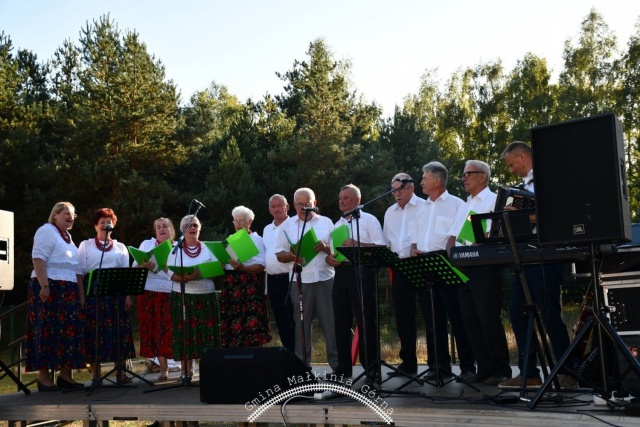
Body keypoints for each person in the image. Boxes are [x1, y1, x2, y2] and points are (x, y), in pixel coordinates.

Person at [499, 141, 575, 389]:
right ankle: (529, 373)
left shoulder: (549, 179)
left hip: (547, 257)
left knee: (550, 314)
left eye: (511, 164)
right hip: (525, 257)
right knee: (517, 313)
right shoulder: (520, 189)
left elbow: (557, 214)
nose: (511, 170)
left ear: (523, 157)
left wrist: (520, 214)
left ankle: (567, 373)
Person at [409, 161, 476, 381]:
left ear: (437, 180)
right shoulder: (421, 208)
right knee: (432, 321)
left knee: (458, 318)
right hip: (425, 265)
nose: (421, 182)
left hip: (448, 264)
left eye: (424, 178)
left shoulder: (457, 204)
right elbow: (414, 237)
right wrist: (413, 248)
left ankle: (468, 367)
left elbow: (463, 236)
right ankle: (439, 366)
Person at [452, 160, 512, 385]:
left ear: (483, 177)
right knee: (470, 320)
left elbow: (498, 233)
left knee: (488, 319)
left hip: (485, 268)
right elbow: (454, 235)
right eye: (463, 174)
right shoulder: (465, 204)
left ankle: (501, 370)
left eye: (468, 174)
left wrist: (475, 246)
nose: (464, 178)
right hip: (463, 268)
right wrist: (454, 256)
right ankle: (484, 368)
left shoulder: (494, 200)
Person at [326, 184, 386, 382]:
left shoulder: (369, 220)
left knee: (366, 321)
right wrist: (330, 259)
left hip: (361, 272)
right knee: (340, 321)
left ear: (357, 200)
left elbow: (381, 247)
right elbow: (332, 253)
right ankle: (343, 368)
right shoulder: (337, 225)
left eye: (346, 198)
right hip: (341, 274)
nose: (341, 201)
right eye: (340, 198)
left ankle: (371, 368)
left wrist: (357, 244)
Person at [25, 202, 86, 391]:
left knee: (68, 331)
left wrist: (81, 295)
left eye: (73, 214)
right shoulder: (46, 231)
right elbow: (38, 259)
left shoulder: (68, 237)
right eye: (66, 213)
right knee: (47, 329)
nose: (70, 216)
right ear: (55, 215)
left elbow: (76, 268)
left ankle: (65, 376)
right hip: (50, 286)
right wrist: (44, 286)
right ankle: (43, 378)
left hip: (69, 289)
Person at [275, 188, 337, 370]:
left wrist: (325, 247)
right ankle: (302, 368)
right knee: (301, 326)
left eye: (307, 204)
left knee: (331, 324)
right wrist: (290, 256)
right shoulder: (286, 225)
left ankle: (337, 367)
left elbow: (337, 250)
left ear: (314, 204)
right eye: (300, 204)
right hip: (300, 282)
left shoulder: (326, 222)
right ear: (294, 205)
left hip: (326, 279)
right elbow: (279, 254)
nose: (304, 208)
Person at [77, 208, 135, 384]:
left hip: (116, 296)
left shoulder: (120, 247)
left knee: (119, 332)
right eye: (102, 222)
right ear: (95, 226)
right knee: (95, 333)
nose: (105, 225)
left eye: (108, 222)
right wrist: (82, 296)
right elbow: (79, 272)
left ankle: (121, 373)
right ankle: (96, 375)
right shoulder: (86, 245)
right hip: (94, 295)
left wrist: (128, 296)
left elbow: (126, 273)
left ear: (113, 225)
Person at [383, 173, 426, 378]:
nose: (396, 194)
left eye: (400, 189)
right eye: (393, 191)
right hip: (399, 267)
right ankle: (408, 364)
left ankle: (438, 365)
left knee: (431, 313)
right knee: (403, 316)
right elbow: (387, 242)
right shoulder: (389, 212)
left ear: (411, 188)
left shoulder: (425, 206)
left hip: (422, 264)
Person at [168, 214, 219, 379]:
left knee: (206, 332)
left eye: (195, 225)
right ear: (182, 229)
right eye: (188, 225)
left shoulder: (208, 248)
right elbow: (169, 271)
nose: (192, 228)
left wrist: (207, 271)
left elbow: (217, 270)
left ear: (199, 229)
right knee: (185, 333)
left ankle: (208, 370)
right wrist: (180, 277)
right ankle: (186, 370)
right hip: (182, 296)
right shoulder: (175, 248)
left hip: (205, 296)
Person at [219, 205, 271, 347]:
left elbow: (261, 266)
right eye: (235, 220)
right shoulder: (230, 239)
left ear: (250, 222)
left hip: (250, 284)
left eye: (242, 220)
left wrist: (243, 268)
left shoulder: (257, 240)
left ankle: (255, 355)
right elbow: (227, 263)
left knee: (252, 322)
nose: (238, 223)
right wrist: (222, 264)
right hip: (231, 285)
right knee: (232, 321)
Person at [134, 217, 178, 382]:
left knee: (170, 329)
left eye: (165, 226)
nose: (161, 229)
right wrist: (143, 265)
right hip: (149, 292)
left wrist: (167, 268)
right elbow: (134, 267)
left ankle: (181, 366)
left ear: (171, 230)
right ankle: (163, 368)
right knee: (154, 329)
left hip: (170, 291)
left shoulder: (178, 247)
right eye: (158, 227)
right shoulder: (147, 244)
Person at [263, 194, 296, 353]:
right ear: (269, 209)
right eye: (273, 206)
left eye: (280, 206)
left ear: (287, 207)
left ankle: (298, 355)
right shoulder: (266, 229)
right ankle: (288, 353)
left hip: (289, 278)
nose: (276, 209)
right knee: (280, 319)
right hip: (272, 280)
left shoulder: (294, 225)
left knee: (292, 318)